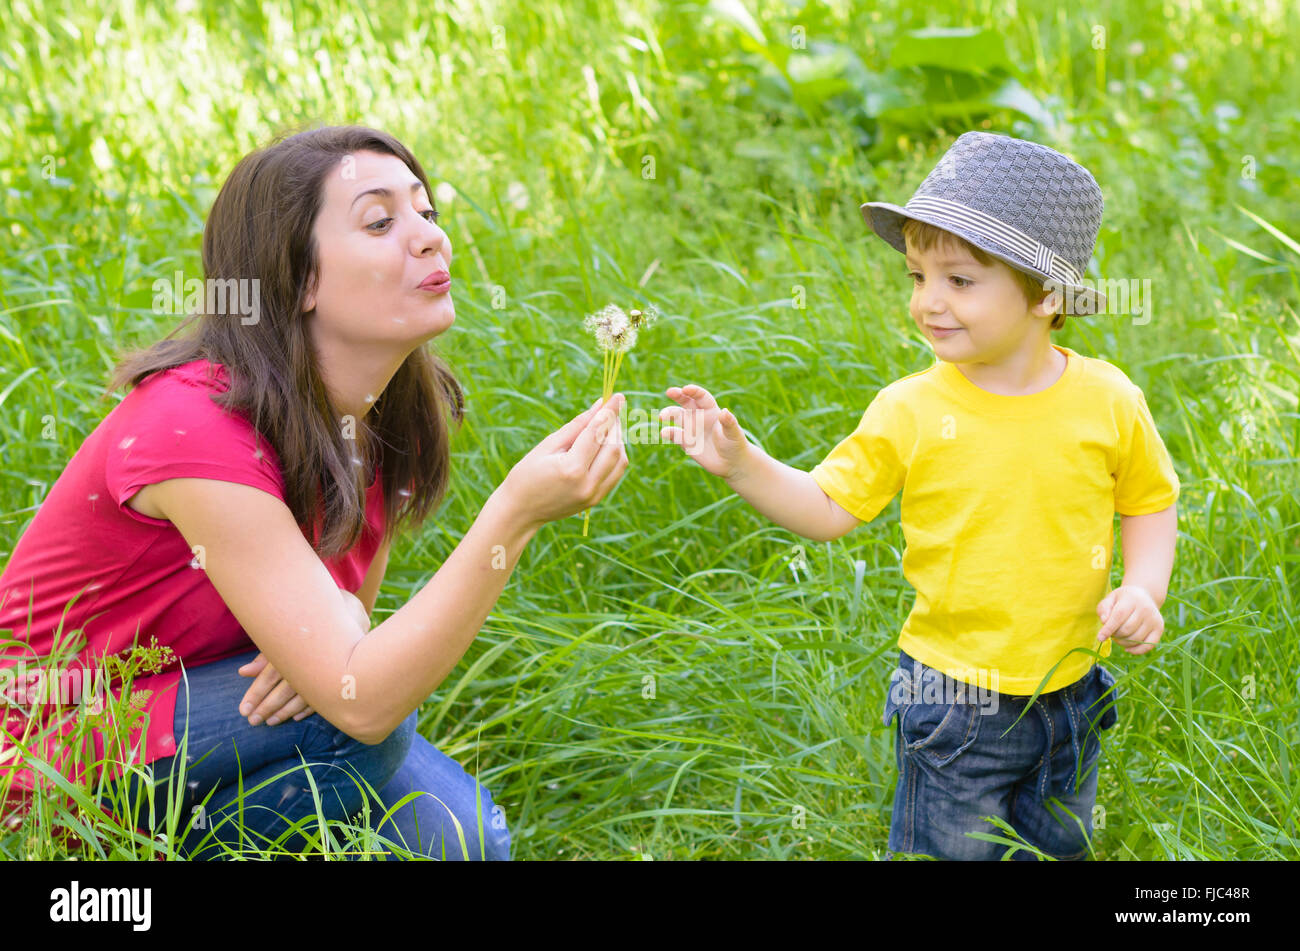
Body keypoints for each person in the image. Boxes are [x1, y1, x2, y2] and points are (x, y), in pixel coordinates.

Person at [0, 125, 629, 860]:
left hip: (210, 706)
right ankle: (110, 858)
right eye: (380, 221)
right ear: (296, 279)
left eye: (427, 213)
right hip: (52, 740)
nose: (429, 239)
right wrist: (514, 516)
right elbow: (360, 697)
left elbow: (350, 632)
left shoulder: (391, 419)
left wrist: (334, 662)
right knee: (353, 728)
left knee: (464, 839)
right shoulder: (191, 425)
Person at [658, 131, 1179, 860]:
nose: (927, 302)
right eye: (915, 277)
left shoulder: (1108, 400)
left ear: (1047, 296)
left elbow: (1149, 500)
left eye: (958, 281)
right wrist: (743, 464)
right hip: (953, 703)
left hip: (1072, 691)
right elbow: (829, 507)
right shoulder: (909, 407)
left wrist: (1145, 588)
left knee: (1059, 848)